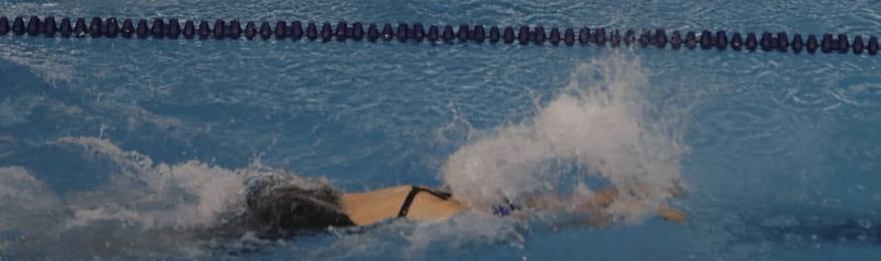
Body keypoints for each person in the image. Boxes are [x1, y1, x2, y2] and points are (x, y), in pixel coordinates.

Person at [236, 174, 685, 236]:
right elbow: (555, 214)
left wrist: (629, 197)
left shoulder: (450, 202)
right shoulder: (450, 211)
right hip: (308, 211)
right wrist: (638, 210)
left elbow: (550, 206)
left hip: (304, 197)